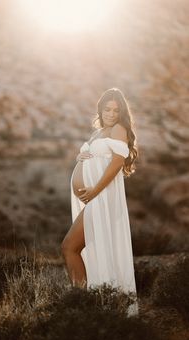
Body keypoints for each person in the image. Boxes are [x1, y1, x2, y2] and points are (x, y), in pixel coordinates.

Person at [61, 87, 139, 316]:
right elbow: (95, 158)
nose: (112, 113)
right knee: (75, 248)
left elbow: (116, 164)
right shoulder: (100, 131)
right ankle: (91, 304)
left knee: (69, 247)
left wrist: (94, 190)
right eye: (107, 109)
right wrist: (82, 159)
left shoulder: (119, 128)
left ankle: (83, 304)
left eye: (116, 110)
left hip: (102, 198)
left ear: (121, 112)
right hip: (94, 199)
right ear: (100, 108)